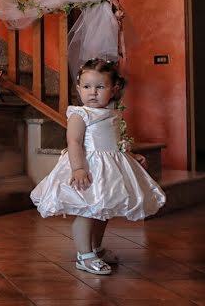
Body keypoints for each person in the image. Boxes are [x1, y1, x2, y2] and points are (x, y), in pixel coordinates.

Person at [30, 58, 165, 275]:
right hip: (88, 168)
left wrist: (131, 154)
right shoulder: (80, 114)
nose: (92, 92)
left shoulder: (113, 112)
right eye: (86, 87)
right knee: (87, 211)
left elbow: (116, 140)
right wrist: (78, 169)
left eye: (100, 87)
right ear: (78, 89)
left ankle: (96, 248)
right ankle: (84, 256)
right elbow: (73, 142)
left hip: (110, 168)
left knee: (103, 212)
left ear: (114, 89)